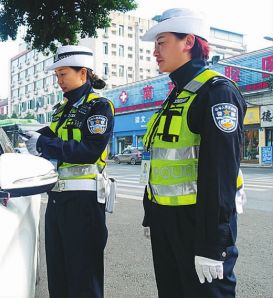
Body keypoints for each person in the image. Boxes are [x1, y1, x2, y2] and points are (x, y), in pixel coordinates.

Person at [140, 8, 247, 298]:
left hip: (198, 225)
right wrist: (153, 214)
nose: (154, 52)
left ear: (188, 42)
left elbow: (219, 173)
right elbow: (158, 161)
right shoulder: (179, 92)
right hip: (168, 222)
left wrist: (214, 243)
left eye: (161, 42)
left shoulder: (216, 92)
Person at [24, 45, 114, 298]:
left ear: (82, 73)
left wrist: (42, 144)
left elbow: (89, 150)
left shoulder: (99, 106)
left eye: (63, 74)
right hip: (57, 199)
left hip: (84, 203)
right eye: (57, 76)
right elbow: (47, 137)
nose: (59, 81)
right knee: (59, 275)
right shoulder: (62, 110)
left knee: (83, 278)